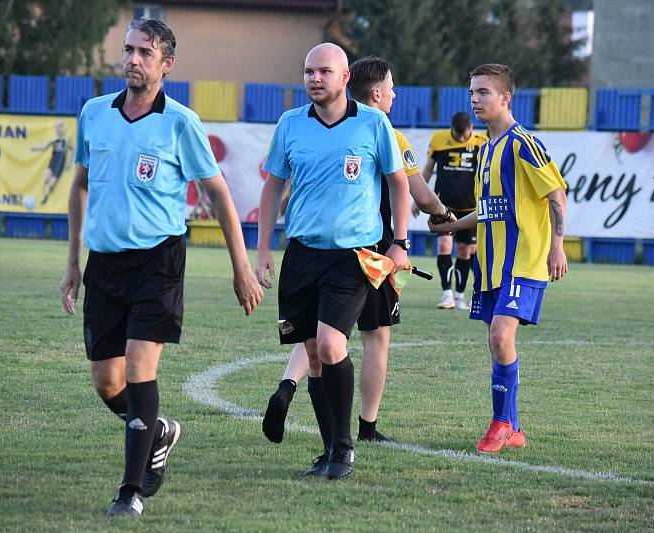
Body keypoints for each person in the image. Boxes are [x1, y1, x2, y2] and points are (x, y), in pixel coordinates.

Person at [59, 18, 262, 517]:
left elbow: (218, 195)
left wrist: (241, 267)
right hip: (104, 263)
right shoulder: (94, 114)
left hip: (159, 261)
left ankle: (130, 491)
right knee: (107, 382)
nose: (132, 60)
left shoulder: (181, 123)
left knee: (139, 364)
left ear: (166, 64)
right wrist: (72, 264)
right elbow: (79, 187)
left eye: (145, 53)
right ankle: (160, 429)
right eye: (128, 50)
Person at [260, 56, 453, 454]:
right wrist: (263, 247)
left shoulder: (375, 125)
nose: (315, 78)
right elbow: (273, 186)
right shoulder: (295, 124)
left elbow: (402, 185)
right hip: (333, 255)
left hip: (362, 254)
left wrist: (400, 241)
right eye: (309, 72)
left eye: (324, 71)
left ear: (346, 78)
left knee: (331, 342)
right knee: (347, 343)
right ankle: (349, 437)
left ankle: (335, 431)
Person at [428, 63, 568, 453]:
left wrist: (558, 244)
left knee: (500, 335)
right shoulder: (486, 148)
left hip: (524, 261)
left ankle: (500, 424)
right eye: (472, 92)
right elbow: (489, 209)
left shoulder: (523, 143)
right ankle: (516, 427)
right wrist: (452, 227)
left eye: (484, 92)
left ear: (505, 97)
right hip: (490, 267)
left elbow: (556, 194)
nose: (475, 99)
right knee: (497, 343)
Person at [417, 112, 486, 310]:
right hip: (443, 205)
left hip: (470, 207)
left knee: (465, 251)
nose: (463, 139)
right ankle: (446, 294)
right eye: (459, 135)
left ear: (472, 128)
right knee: (444, 247)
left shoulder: (482, 141)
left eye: (466, 135)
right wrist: (419, 196)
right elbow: (428, 169)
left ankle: (459, 296)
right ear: (452, 129)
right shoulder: (439, 139)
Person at [31, 120, 73, 205]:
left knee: (51, 183)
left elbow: (73, 149)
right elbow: (45, 146)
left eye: (60, 127)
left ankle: (45, 198)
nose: (58, 129)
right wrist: (35, 148)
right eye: (57, 127)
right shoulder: (54, 140)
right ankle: (42, 195)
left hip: (60, 165)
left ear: (63, 128)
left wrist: (69, 161)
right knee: (46, 179)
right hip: (53, 162)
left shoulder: (67, 140)